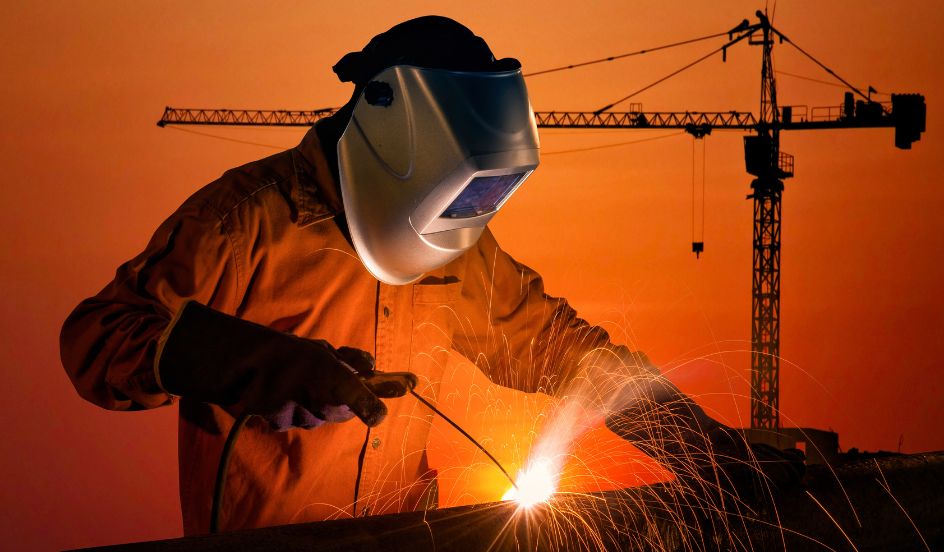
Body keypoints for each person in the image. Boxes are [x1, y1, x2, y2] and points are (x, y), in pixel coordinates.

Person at [60, 16, 800, 535]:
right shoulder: (245, 221)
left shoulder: (462, 254)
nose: (463, 219)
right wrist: (250, 363)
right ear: (391, 131)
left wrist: (704, 450)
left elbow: (576, 358)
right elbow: (96, 341)